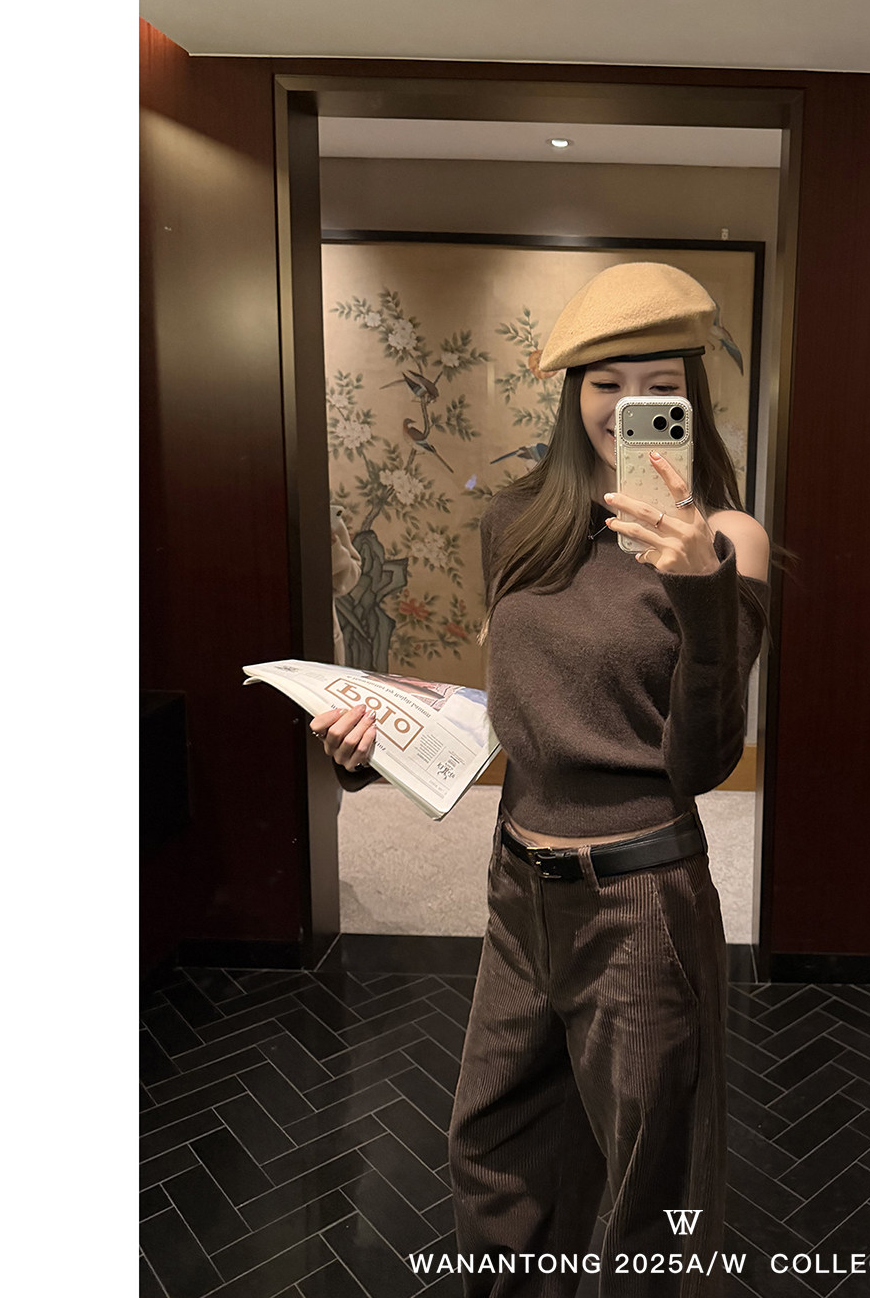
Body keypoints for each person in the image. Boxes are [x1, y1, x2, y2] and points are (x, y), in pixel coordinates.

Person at [312, 262, 774, 1295]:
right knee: (496, 1151)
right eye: (606, 381)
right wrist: (377, 746)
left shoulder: (728, 540)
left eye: (659, 384)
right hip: (519, 888)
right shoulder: (517, 523)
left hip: (643, 899)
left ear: (692, 399)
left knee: (655, 1181)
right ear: (573, 394)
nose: (628, 405)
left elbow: (703, 759)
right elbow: (523, 711)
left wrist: (698, 586)